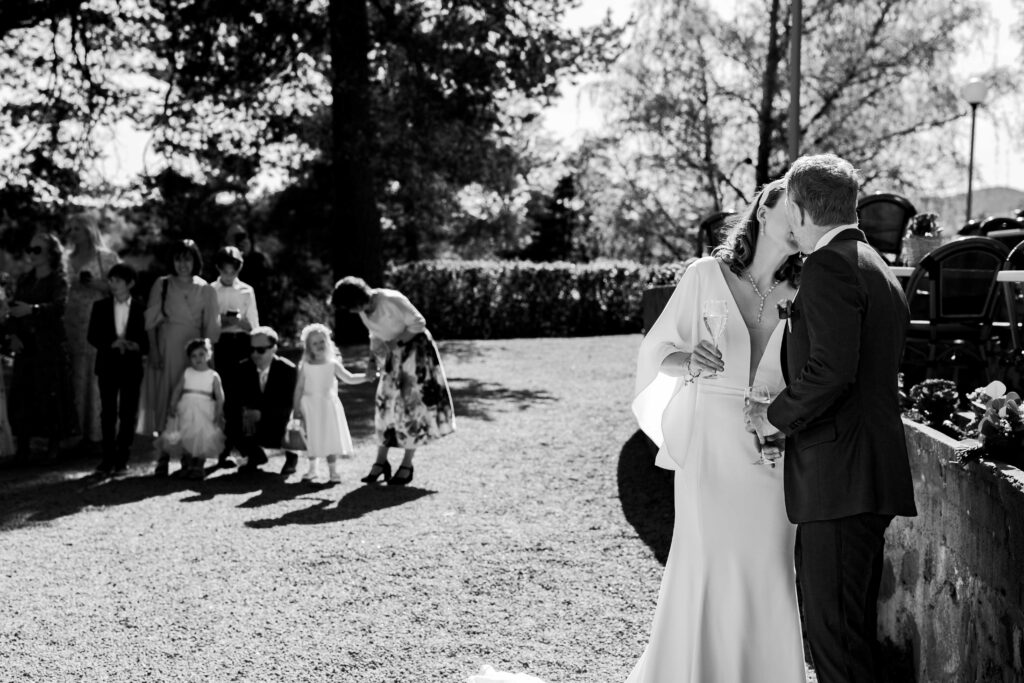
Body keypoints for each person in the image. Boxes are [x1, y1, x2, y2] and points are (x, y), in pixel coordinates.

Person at [745, 154, 918, 683]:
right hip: (861, 475)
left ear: (797, 208)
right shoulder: (872, 263)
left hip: (839, 480)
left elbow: (830, 371)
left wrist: (771, 417)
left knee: (834, 642)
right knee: (848, 634)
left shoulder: (829, 265)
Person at [630, 179, 807, 682]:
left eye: (804, 214)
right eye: (790, 210)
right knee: (704, 564)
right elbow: (656, 354)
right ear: (763, 210)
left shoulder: (805, 290)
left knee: (770, 568)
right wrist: (690, 358)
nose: (797, 223)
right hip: (709, 446)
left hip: (769, 449)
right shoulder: (706, 275)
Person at [331, 276, 455, 487]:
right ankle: (381, 462)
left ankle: (407, 465)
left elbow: (418, 323)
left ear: (358, 298)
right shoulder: (363, 309)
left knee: (411, 407)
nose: (351, 312)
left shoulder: (390, 300)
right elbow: (375, 334)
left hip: (415, 353)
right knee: (384, 404)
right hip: (393, 354)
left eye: (350, 306)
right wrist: (372, 361)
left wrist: (395, 344)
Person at [6, 233, 77, 461]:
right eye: (30, 249)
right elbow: (14, 310)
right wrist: (13, 335)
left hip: (49, 345)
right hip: (26, 345)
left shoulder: (59, 280)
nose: (32, 254)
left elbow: (58, 307)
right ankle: (23, 446)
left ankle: (53, 445)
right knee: (23, 393)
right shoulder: (25, 280)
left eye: (37, 250)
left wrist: (33, 309)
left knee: (51, 394)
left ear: (50, 253)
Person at [139, 239, 220, 438]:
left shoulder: (206, 289)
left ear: (195, 261)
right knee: (165, 401)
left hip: (195, 353)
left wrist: (209, 361)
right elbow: (150, 322)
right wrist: (154, 351)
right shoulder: (162, 284)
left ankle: (188, 460)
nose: (182, 265)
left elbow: (211, 327)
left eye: (187, 260)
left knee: (192, 400)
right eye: (178, 260)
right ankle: (162, 458)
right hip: (167, 350)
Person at [64, 211, 121, 449]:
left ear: (89, 230)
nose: (73, 233)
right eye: (71, 229)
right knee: (74, 373)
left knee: (96, 374)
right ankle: (75, 433)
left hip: (98, 322)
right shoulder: (65, 258)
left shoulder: (106, 258)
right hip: (71, 322)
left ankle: (98, 434)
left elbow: (121, 287)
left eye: (77, 228)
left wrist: (97, 285)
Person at [87, 263, 148, 477]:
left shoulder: (142, 308)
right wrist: (111, 343)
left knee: (128, 413)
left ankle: (123, 459)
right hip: (108, 365)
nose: (113, 284)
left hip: (131, 366)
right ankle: (107, 458)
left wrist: (136, 345)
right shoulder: (100, 306)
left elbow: (147, 339)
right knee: (108, 412)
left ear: (130, 283)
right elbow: (92, 336)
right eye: (111, 280)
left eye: (118, 281)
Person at [292, 323, 374, 484]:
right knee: (311, 436)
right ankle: (312, 469)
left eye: (322, 341)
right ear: (309, 347)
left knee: (329, 436)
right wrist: (296, 409)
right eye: (315, 343)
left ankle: (333, 470)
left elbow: (349, 378)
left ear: (328, 342)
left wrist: (365, 377)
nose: (319, 345)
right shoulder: (306, 366)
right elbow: (299, 388)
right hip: (309, 405)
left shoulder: (332, 364)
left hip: (328, 405)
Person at [210, 245, 259, 467]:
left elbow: (254, 325)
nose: (229, 274)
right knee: (224, 396)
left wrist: (239, 322)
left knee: (242, 396)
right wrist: (222, 321)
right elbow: (208, 324)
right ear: (219, 268)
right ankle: (225, 449)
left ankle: (244, 447)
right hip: (220, 344)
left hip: (242, 343)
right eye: (225, 270)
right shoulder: (210, 290)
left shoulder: (247, 290)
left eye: (234, 270)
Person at [228, 326, 299, 475]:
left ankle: (292, 457)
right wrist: (244, 413)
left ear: (274, 348)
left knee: (296, 420)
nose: (255, 354)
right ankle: (254, 456)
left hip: (280, 422)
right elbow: (234, 400)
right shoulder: (242, 368)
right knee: (230, 420)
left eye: (260, 350)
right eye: (252, 349)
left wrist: (262, 414)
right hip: (252, 423)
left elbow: (289, 404)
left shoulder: (288, 370)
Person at [156, 338, 225, 480]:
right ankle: (187, 465)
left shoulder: (213, 375)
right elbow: (177, 390)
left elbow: (219, 396)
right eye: (193, 356)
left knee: (202, 438)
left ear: (208, 354)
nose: (198, 358)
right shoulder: (187, 372)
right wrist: (173, 405)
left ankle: (198, 466)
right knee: (186, 437)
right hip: (186, 408)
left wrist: (218, 412)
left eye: (201, 354)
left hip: (204, 410)